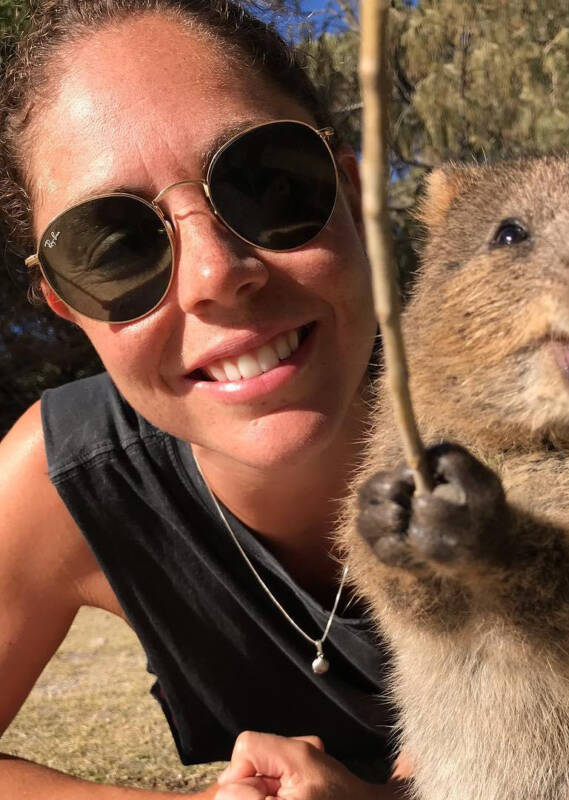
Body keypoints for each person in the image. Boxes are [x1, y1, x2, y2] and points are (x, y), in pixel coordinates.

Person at [0, 1, 408, 797]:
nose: (217, 275)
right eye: (114, 247)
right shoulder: (65, 478)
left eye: (268, 185)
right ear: (65, 303)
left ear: (354, 192)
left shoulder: (527, 425)